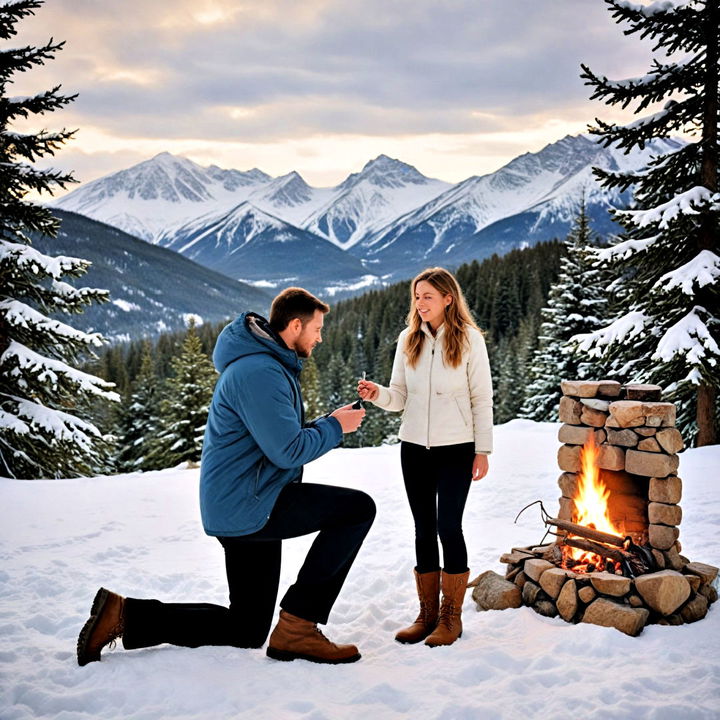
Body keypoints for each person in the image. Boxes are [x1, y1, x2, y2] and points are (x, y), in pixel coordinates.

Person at [77, 287, 375, 666]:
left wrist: (327, 422)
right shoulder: (260, 372)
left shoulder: (263, 365)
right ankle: (298, 628)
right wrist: (335, 427)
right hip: (250, 504)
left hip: (244, 501)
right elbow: (287, 451)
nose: (320, 337)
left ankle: (123, 616)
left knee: (246, 628)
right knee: (356, 510)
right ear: (295, 325)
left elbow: (280, 439)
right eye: (316, 328)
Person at [357, 267, 492, 647]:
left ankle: (452, 617)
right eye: (417, 296)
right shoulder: (408, 339)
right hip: (414, 447)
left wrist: (483, 449)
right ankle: (427, 613)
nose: (420, 303)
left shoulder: (469, 340)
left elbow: (482, 398)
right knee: (422, 528)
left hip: (457, 447)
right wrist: (377, 394)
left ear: (448, 299)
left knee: (449, 526)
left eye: (428, 296)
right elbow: (399, 396)